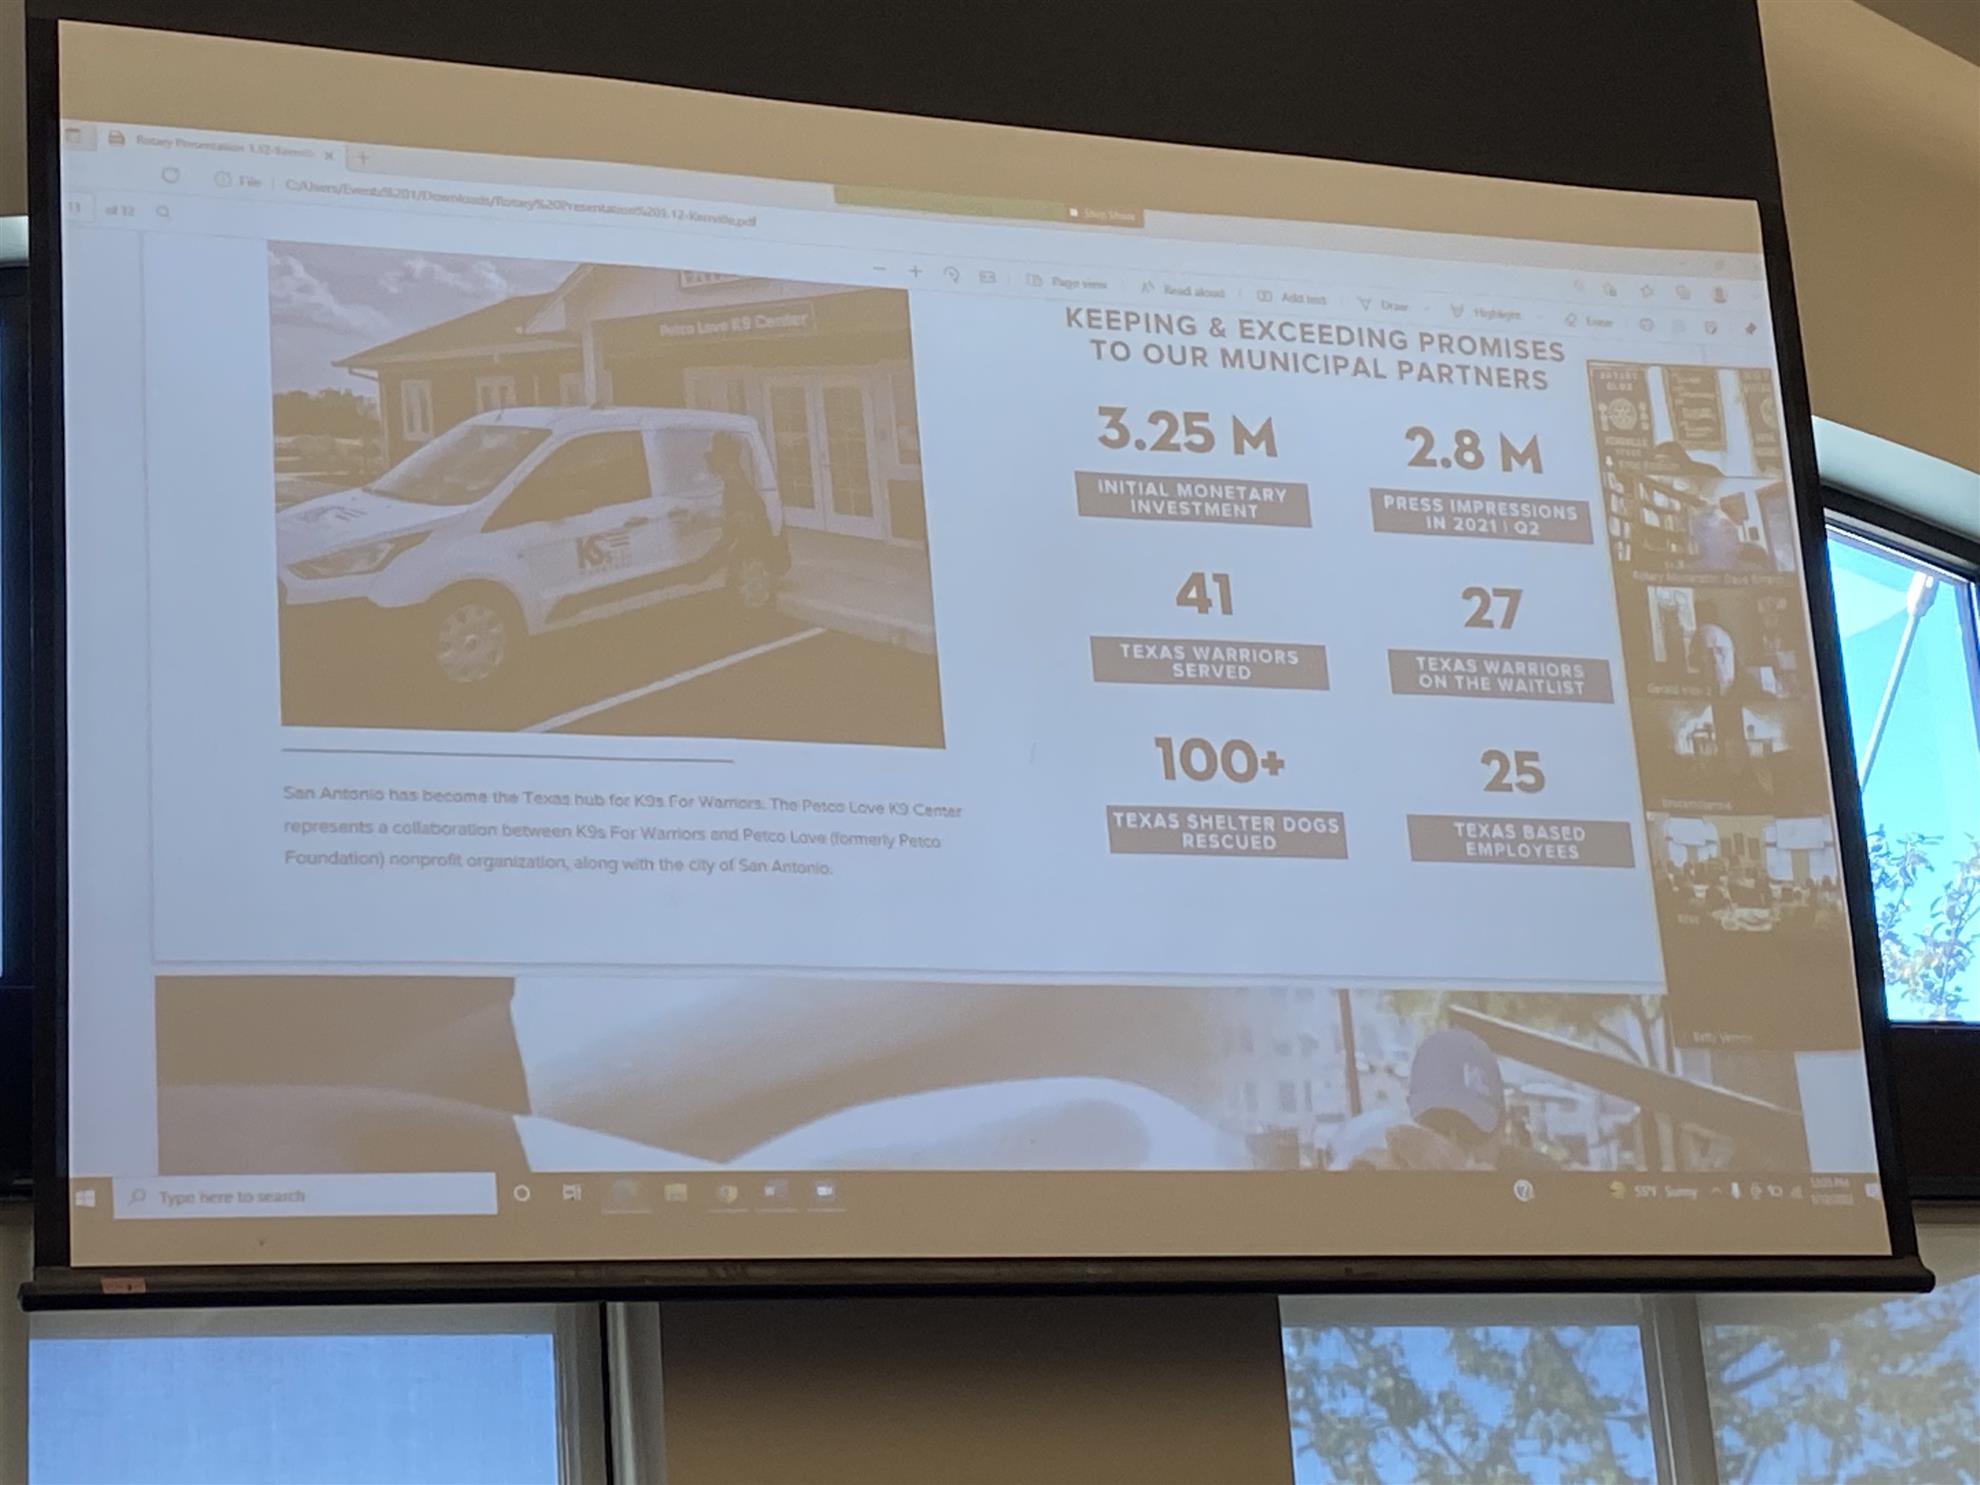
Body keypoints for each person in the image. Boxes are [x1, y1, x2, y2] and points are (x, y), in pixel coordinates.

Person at [1330, 1028, 1558, 1173]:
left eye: (1471, 1130)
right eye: (1438, 1125)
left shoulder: (1536, 1176)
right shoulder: (1393, 1168)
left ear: (1501, 1127)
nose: (1453, 1143)